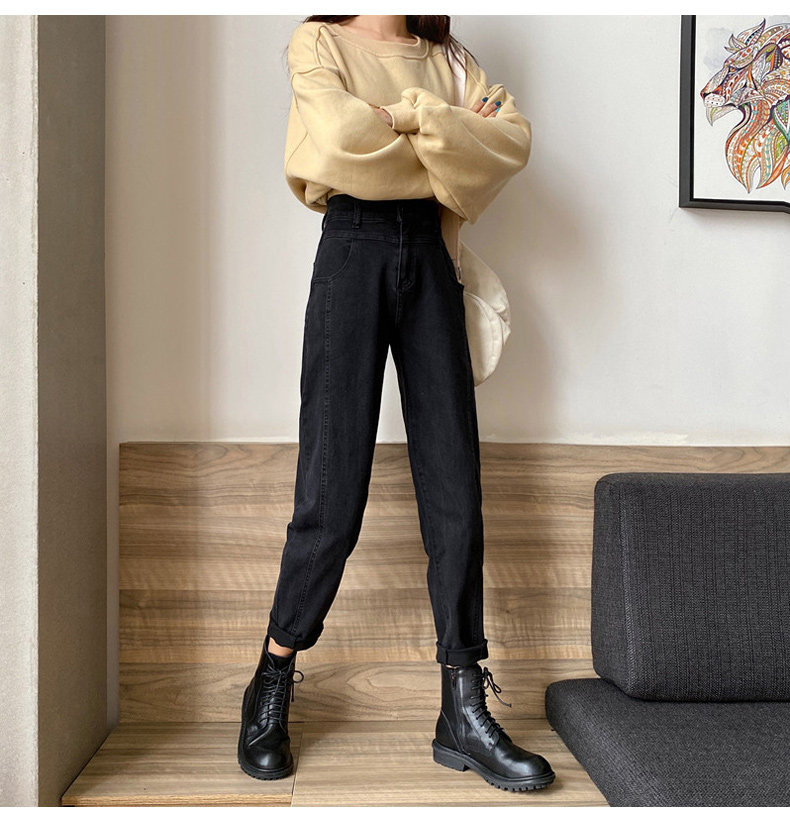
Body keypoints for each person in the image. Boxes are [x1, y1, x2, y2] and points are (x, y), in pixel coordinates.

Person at [238, 14, 555, 793]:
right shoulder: (318, 43)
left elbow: (509, 144)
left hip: (433, 264)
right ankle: (272, 675)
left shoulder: (451, 59)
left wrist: (402, 117)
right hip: (352, 250)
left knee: (455, 493)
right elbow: (339, 139)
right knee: (331, 495)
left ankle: (462, 706)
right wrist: (448, 136)